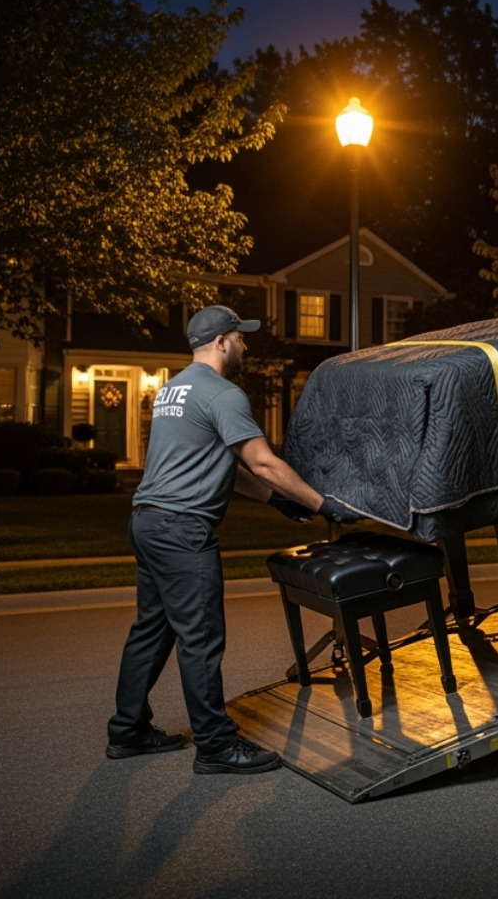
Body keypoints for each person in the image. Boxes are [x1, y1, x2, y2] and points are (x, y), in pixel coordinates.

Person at [106, 304, 348, 774]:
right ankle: (216, 747)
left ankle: (128, 731)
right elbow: (263, 463)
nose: (245, 345)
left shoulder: (171, 391)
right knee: (201, 639)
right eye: (241, 337)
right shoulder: (224, 394)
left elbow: (224, 469)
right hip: (182, 530)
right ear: (221, 342)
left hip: (148, 522)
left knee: (151, 632)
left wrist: (276, 501)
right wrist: (323, 505)